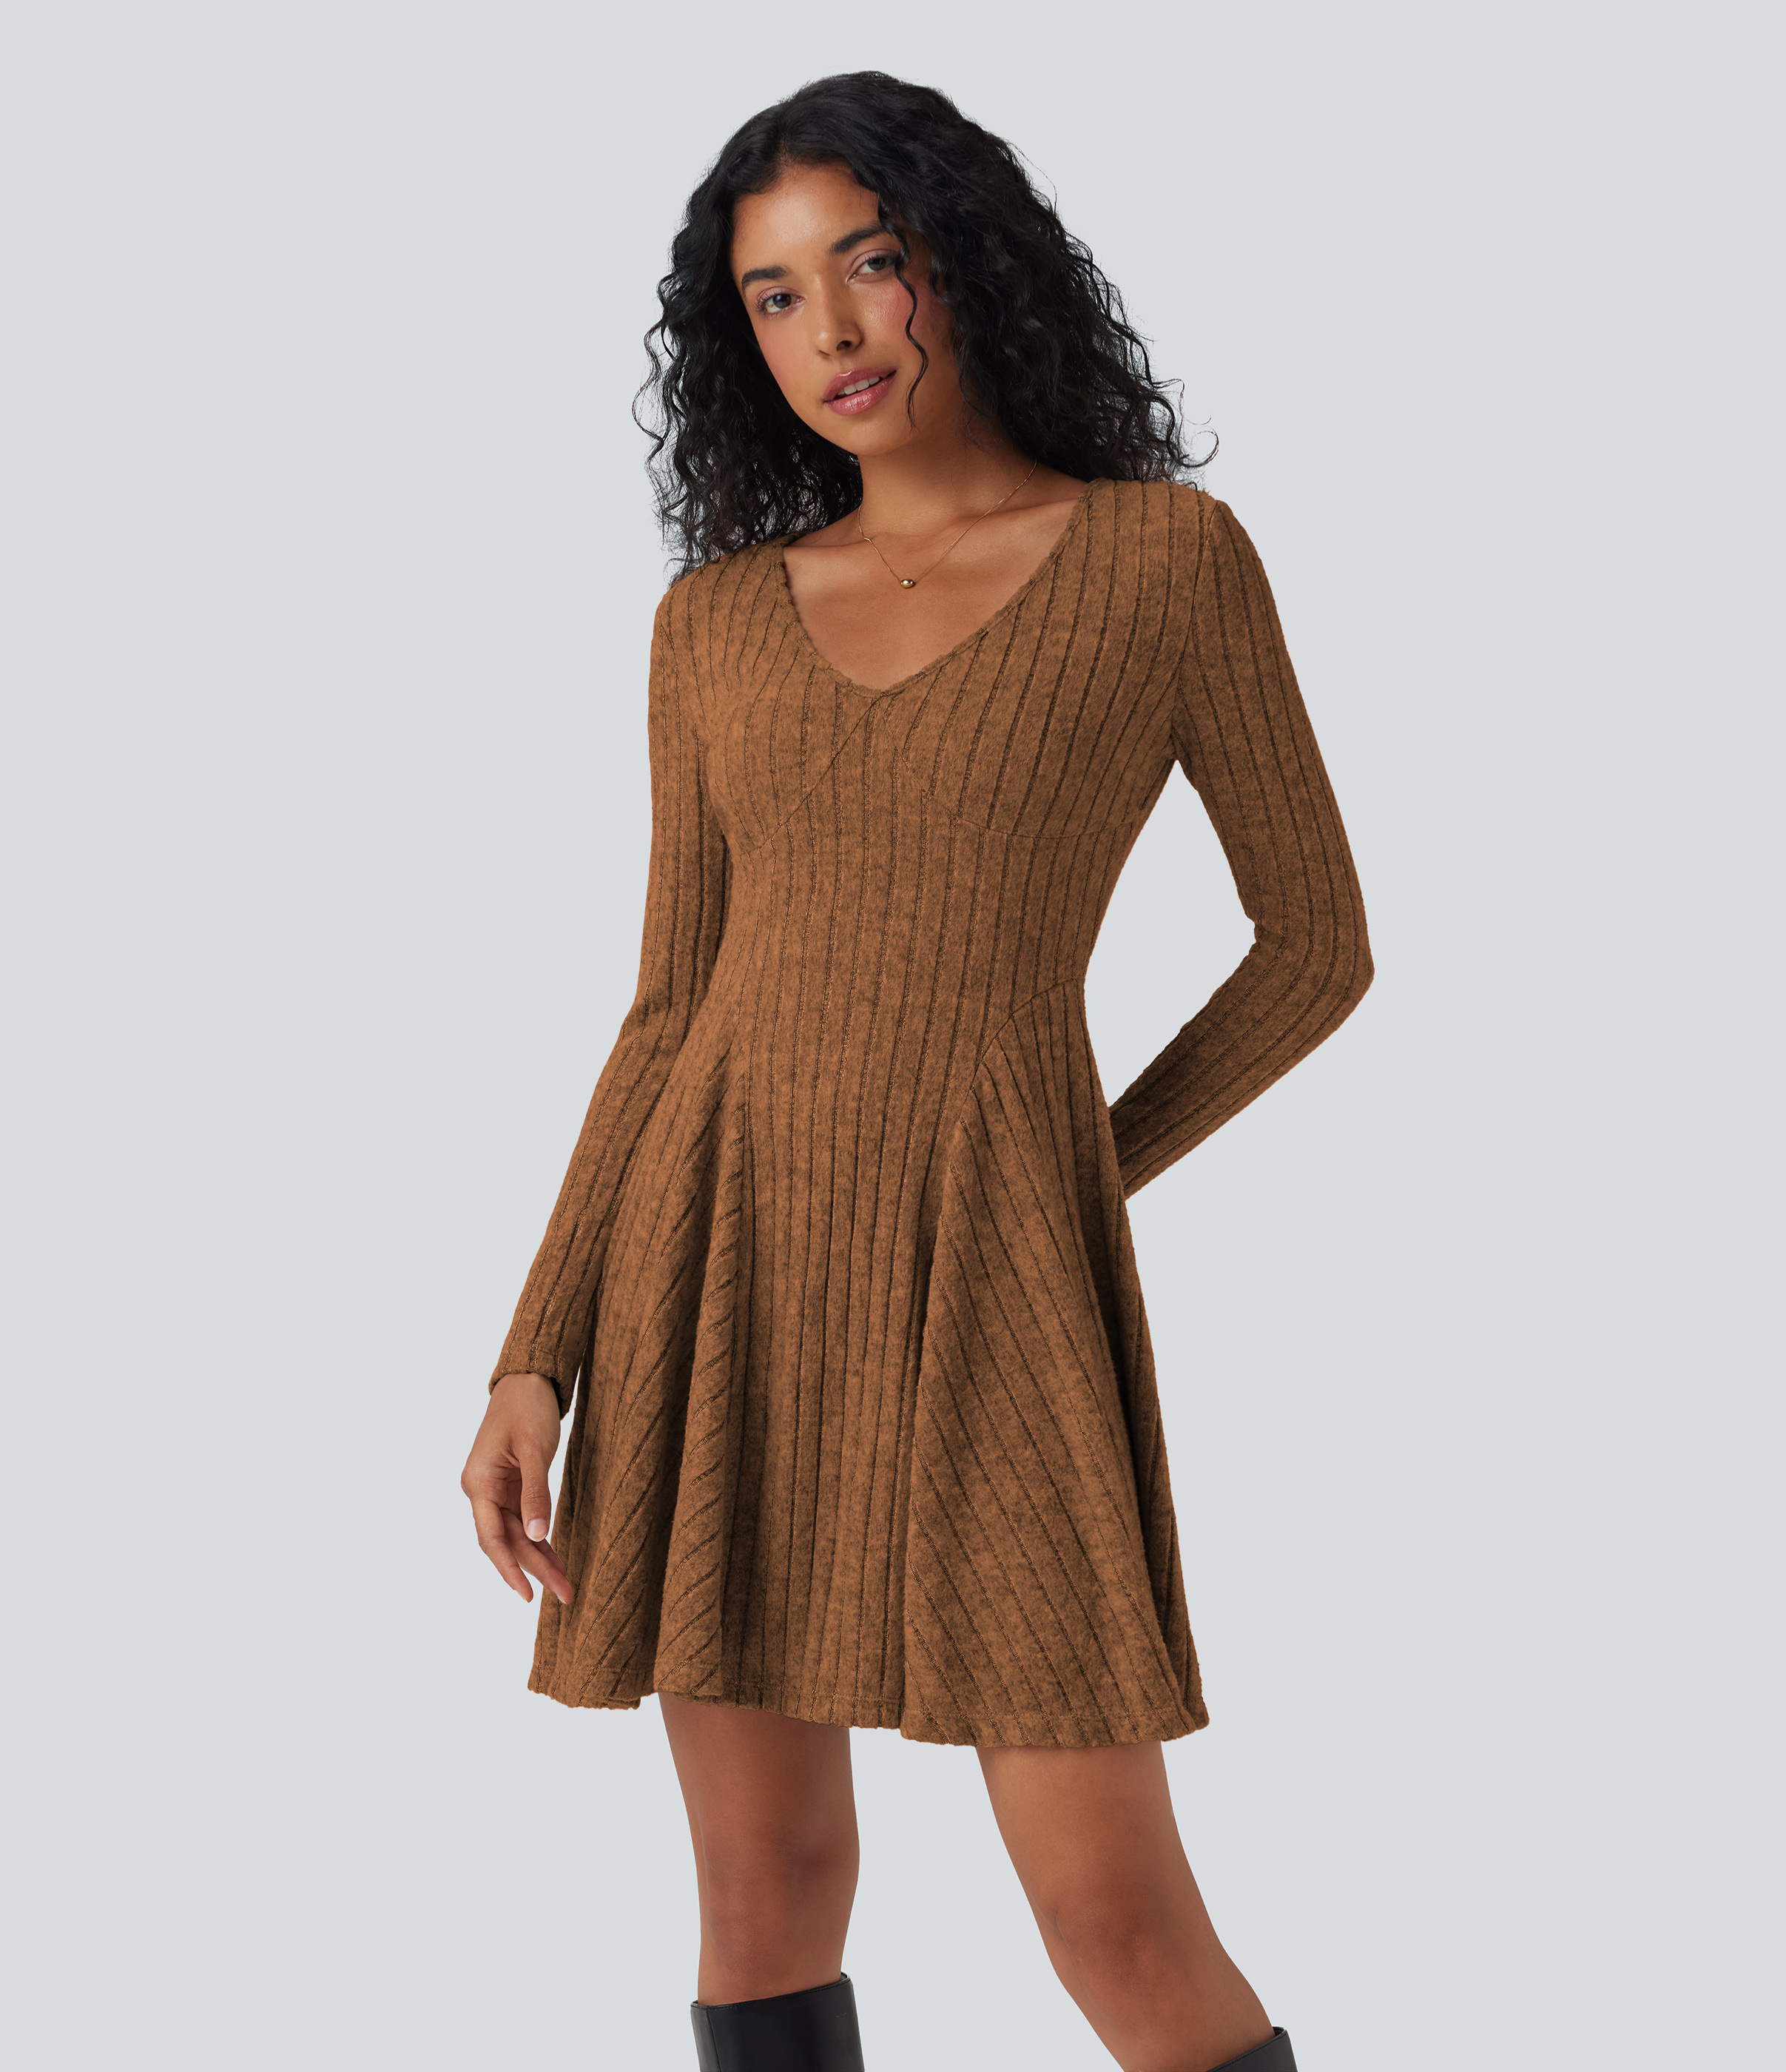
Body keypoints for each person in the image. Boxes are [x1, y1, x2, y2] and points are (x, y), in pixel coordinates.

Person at [460, 70, 1372, 2072]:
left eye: (868, 263)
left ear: (965, 259)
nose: (835, 332)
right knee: (761, 1888)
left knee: (1114, 1918)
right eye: (776, 297)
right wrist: (539, 1351)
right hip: (721, 1279)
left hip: (993, 1305)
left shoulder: (1163, 563)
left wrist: (1075, 1172)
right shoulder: (710, 626)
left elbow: (1317, 947)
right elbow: (668, 1012)